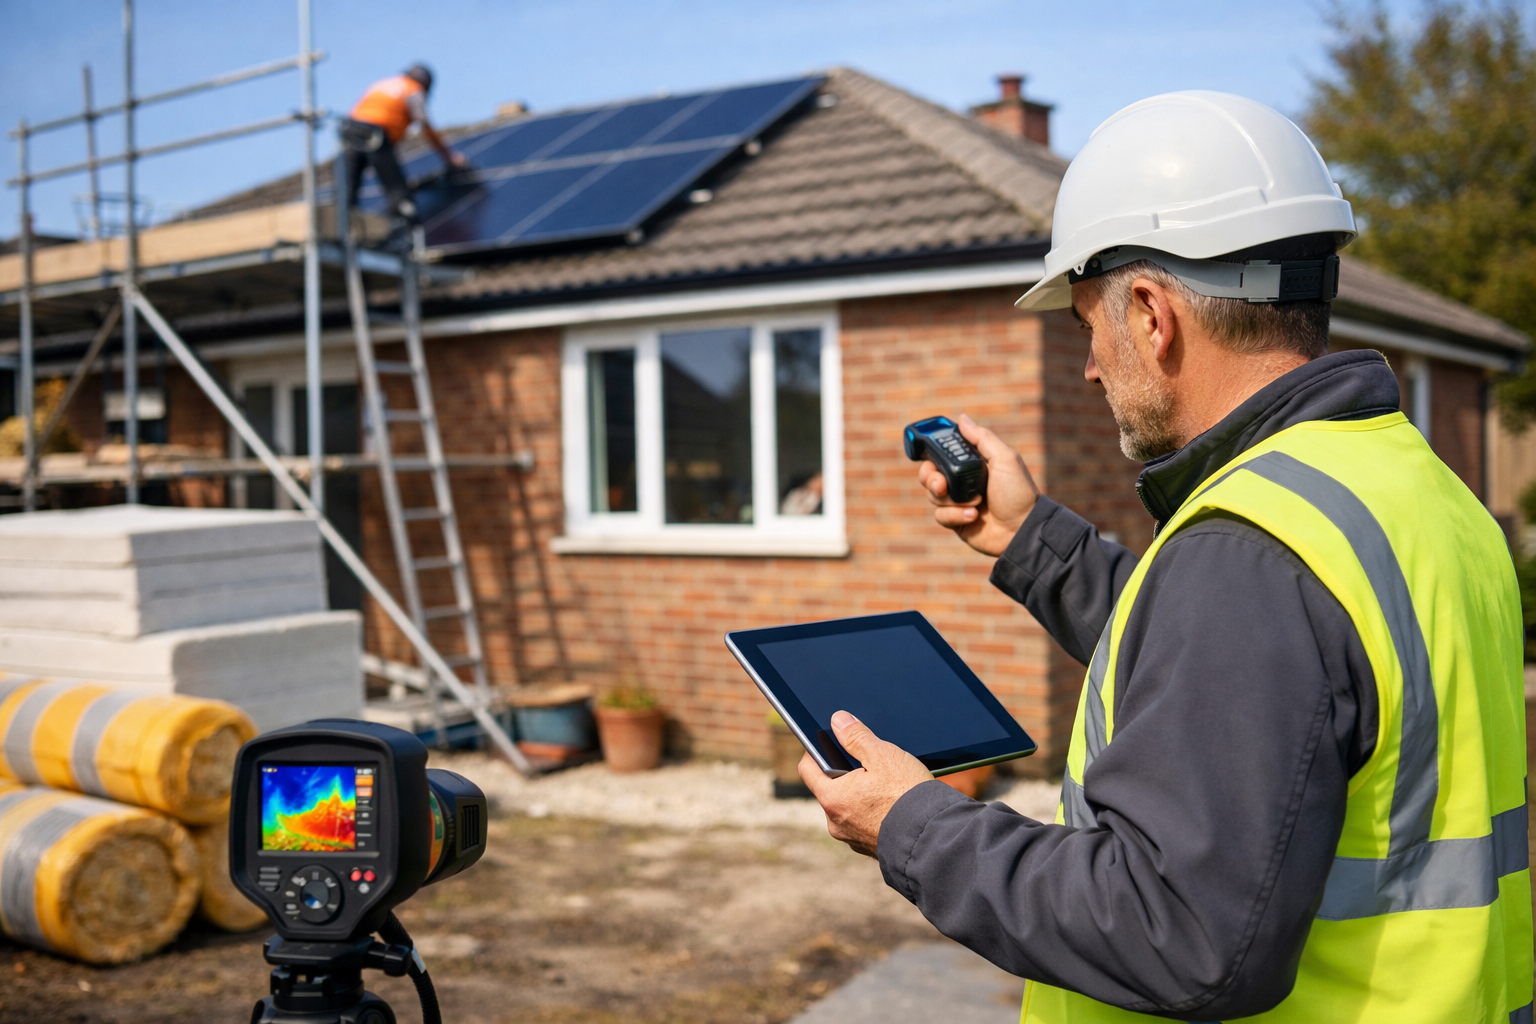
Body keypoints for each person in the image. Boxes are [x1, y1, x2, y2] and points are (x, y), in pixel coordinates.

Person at [800, 91, 1531, 1022]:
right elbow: (1249, 689)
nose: (1093, 367)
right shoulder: (1415, 491)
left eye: (1086, 326)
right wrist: (1030, 541)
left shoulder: (1251, 551)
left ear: (1150, 313)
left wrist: (915, 825)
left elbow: (1175, 929)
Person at [341, 63, 466, 224]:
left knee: (349, 183)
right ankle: (401, 227)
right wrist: (450, 156)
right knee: (397, 188)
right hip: (375, 133)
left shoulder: (383, 83)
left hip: (350, 129)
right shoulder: (414, 90)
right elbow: (425, 127)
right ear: (425, 84)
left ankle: (343, 224)